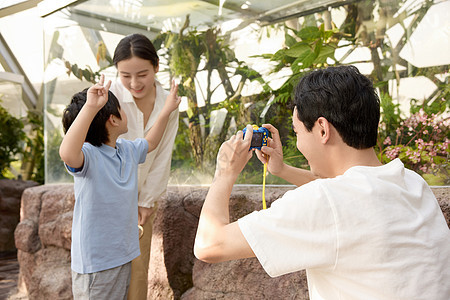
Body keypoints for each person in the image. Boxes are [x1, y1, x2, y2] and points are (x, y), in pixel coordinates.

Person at [194, 65, 450, 299]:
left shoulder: (326, 202)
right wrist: (282, 169)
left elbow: (209, 245)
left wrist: (224, 173)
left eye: (297, 132)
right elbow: (346, 191)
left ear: (323, 129)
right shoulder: (413, 184)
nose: (298, 143)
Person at [60, 74, 180, 299]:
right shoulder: (88, 157)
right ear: (113, 120)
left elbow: (151, 142)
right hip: (96, 265)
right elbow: (67, 153)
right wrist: (91, 107)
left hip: (122, 255)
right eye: (122, 108)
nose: (127, 112)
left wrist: (166, 110)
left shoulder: (125, 150)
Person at [109, 33, 180, 300]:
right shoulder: (110, 95)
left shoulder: (169, 102)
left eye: (142, 74)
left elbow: (163, 153)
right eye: (125, 75)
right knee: (106, 270)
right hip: (108, 195)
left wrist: (147, 200)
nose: (134, 83)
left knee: (138, 269)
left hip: (142, 200)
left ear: (156, 67)